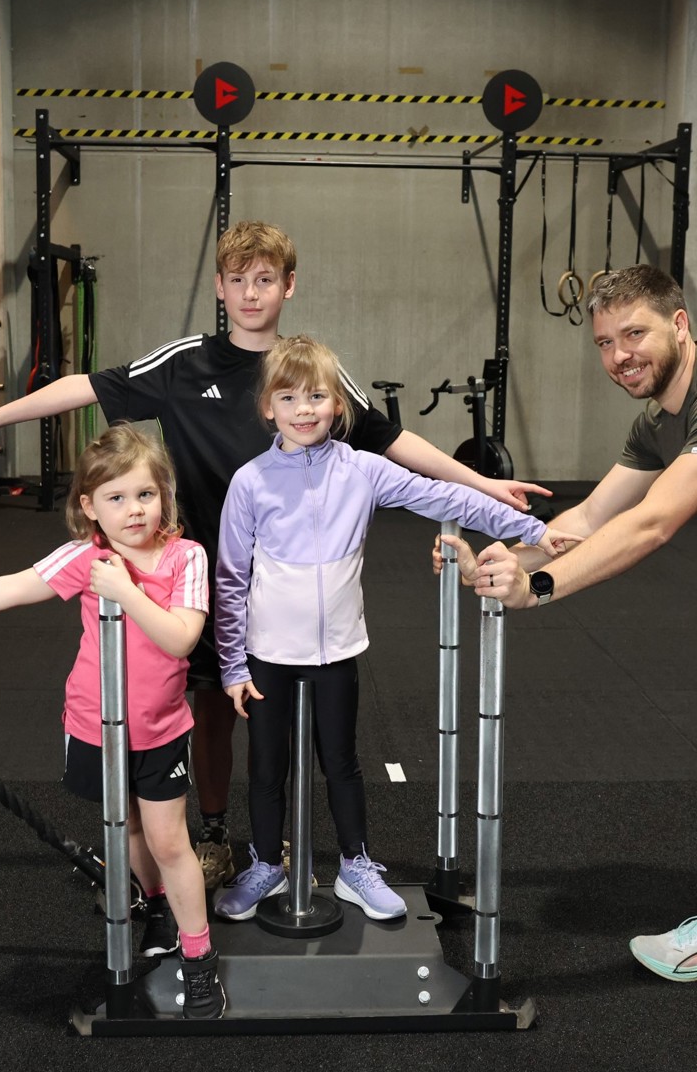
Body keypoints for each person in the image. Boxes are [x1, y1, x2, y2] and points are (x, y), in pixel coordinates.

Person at [0, 220, 552, 888]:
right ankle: (214, 836)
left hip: (285, 581)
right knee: (211, 712)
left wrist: (481, 483)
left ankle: (294, 851)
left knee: (295, 724)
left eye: (266, 280)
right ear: (220, 288)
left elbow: (391, 442)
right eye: (239, 280)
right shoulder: (185, 362)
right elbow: (88, 386)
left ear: (288, 286)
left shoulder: (306, 374)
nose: (252, 294)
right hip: (199, 576)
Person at [212, 335, 564, 922]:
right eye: (290, 397)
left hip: (337, 652)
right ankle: (266, 865)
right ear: (268, 407)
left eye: (318, 396)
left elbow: (445, 495)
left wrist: (528, 527)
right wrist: (231, 665)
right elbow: (228, 580)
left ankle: (355, 865)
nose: (304, 409)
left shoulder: (364, 471)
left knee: (343, 762)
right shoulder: (250, 482)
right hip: (267, 653)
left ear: (338, 406)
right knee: (267, 767)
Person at [0, 423, 225, 1019]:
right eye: (116, 499)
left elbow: (180, 640)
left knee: (172, 840)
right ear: (89, 506)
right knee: (129, 832)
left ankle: (199, 962)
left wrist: (124, 587)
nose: (134, 510)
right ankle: (154, 904)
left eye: (145, 494)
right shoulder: (84, 557)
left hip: (160, 730)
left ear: (164, 494)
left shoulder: (184, 557)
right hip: (94, 724)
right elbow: (10, 588)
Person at [440, 263, 697, 982]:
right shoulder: (658, 422)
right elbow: (588, 518)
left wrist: (539, 587)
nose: (620, 356)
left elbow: (652, 524)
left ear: (680, 324)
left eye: (636, 333)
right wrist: (496, 556)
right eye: (606, 343)